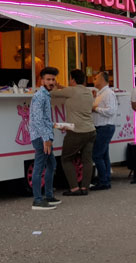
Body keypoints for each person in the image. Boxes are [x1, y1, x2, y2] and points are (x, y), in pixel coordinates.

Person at [52, 69, 96, 196]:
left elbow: (52, 94)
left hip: (76, 131)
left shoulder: (71, 91)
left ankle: (74, 188)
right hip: (91, 131)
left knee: (66, 158)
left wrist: (54, 87)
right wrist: (61, 86)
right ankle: (85, 188)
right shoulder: (87, 92)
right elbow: (70, 91)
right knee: (87, 160)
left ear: (72, 79)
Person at [27, 67, 61, 210]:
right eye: (48, 79)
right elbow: (37, 120)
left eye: (53, 79)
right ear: (42, 81)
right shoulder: (40, 96)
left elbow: (44, 119)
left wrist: (56, 125)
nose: (51, 82)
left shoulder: (45, 95)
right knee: (40, 167)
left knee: (51, 165)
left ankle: (48, 196)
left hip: (44, 136)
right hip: (41, 138)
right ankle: (38, 200)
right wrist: (46, 138)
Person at [88, 71, 117, 191]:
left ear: (102, 80)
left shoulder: (108, 94)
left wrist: (96, 109)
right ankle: (105, 178)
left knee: (97, 154)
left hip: (105, 126)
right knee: (104, 154)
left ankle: (103, 181)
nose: (94, 80)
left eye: (96, 78)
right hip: (101, 126)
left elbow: (111, 111)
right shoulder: (100, 94)